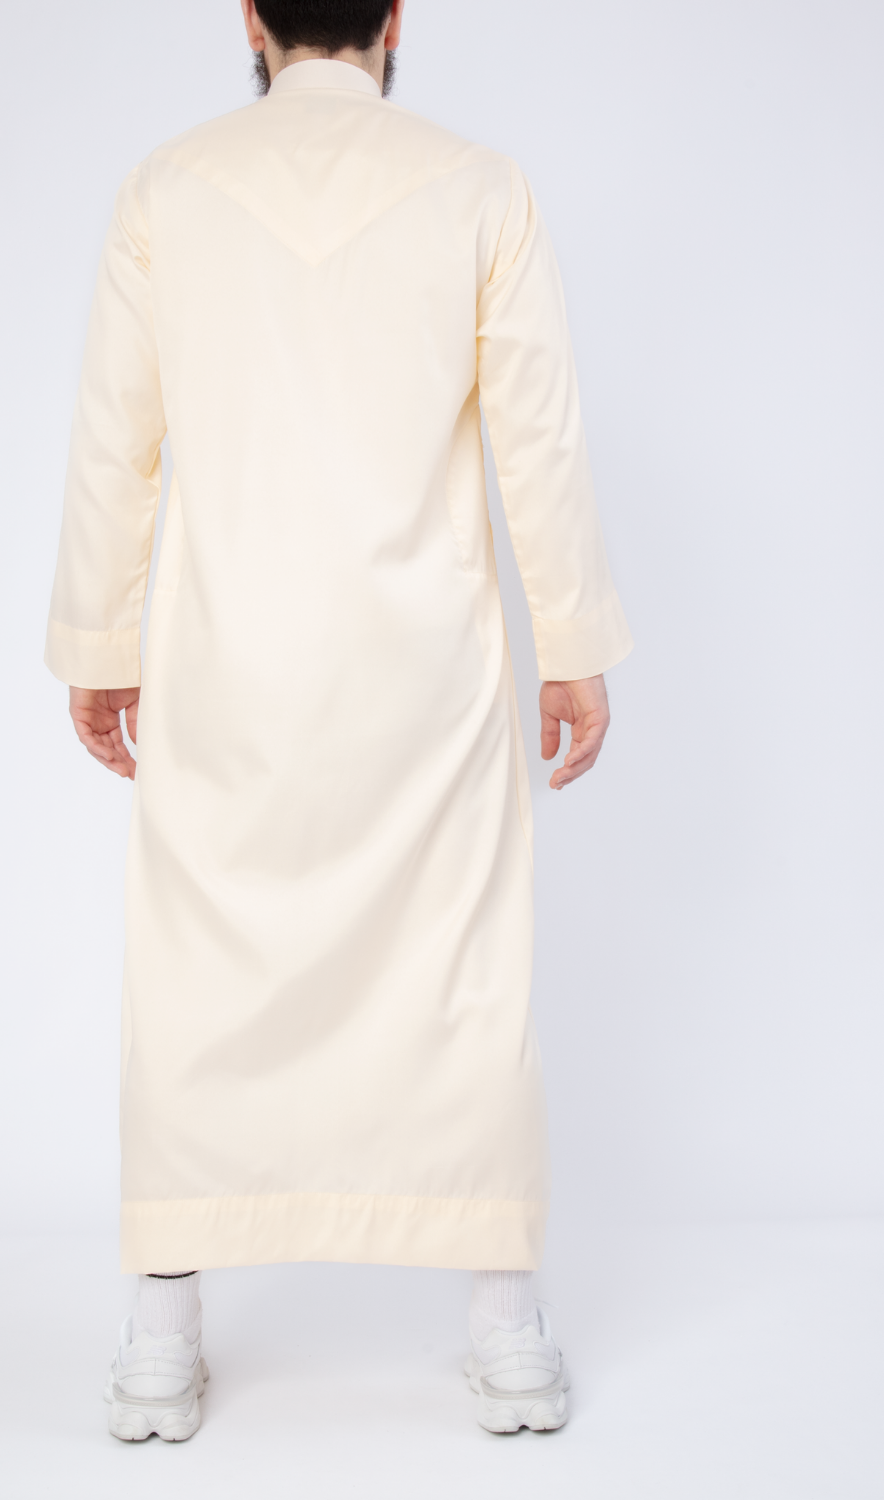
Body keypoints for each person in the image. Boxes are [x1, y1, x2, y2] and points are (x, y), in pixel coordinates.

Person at [45, 0, 632, 1442]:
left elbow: (118, 441)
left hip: (223, 662)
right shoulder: (480, 187)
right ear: (395, 18)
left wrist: (98, 643)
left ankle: (161, 1341)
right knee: (465, 964)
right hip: (422, 666)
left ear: (250, 18)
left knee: (194, 967)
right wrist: (572, 644)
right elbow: (539, 433)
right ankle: (505, 1333)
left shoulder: (167, 190)